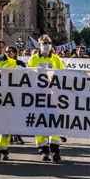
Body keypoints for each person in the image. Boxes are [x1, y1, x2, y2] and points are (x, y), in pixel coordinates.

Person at [27, 35, 65, 163]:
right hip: (38, 97)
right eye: (44, 43)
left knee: (54, 122)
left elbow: (63, 75)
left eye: (48, 43)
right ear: (39, 44)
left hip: (53, 96)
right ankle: (43, 149)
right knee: (39, 121)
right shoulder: (33, 59)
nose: (46, 45)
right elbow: (28, 76)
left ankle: (55, 149)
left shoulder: (56, 59)